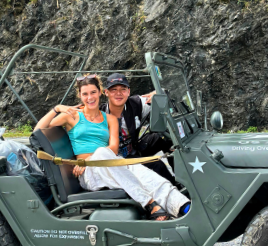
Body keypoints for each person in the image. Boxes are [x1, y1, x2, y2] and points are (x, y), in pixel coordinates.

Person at [35, 75, 189, 221]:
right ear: (80, 96)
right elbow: (38, 131)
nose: (90, 98)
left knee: (145, 173)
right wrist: (56, 109)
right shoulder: (73, 116)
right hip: (87, 172)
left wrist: (91, 158)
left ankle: (184, 207)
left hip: (109, 163)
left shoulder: (110, 119)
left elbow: (113, 148)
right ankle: (149, 203)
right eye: (85, 94)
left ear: (100, 93)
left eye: (93, 92)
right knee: (104, 153)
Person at [103, 73, 175, 183]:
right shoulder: (100, 114)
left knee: (168, 138)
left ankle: (183, 179)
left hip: (136, 148)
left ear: (128, 92)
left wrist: (159, 93)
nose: (119, 93)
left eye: (123, 89)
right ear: (106, 92)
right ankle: (176, 191)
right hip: (120, 159)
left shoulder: (136, 103)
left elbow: (162, 97)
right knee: (157, 165)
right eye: (113, 90)